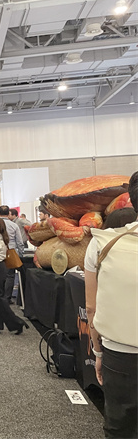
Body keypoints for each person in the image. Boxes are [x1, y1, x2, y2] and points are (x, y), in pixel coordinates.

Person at [84, 171, 138, 438]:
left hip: (120, 351)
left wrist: (98, 352)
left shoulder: (102, 242)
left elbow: (91, 308)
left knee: (120, 427)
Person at [0, 205, 25, 303]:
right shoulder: (14, 225)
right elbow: (19, 242)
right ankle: (7, 298)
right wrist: (20, 255)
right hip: (10, 252)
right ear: (9, 213)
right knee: (10, 276)